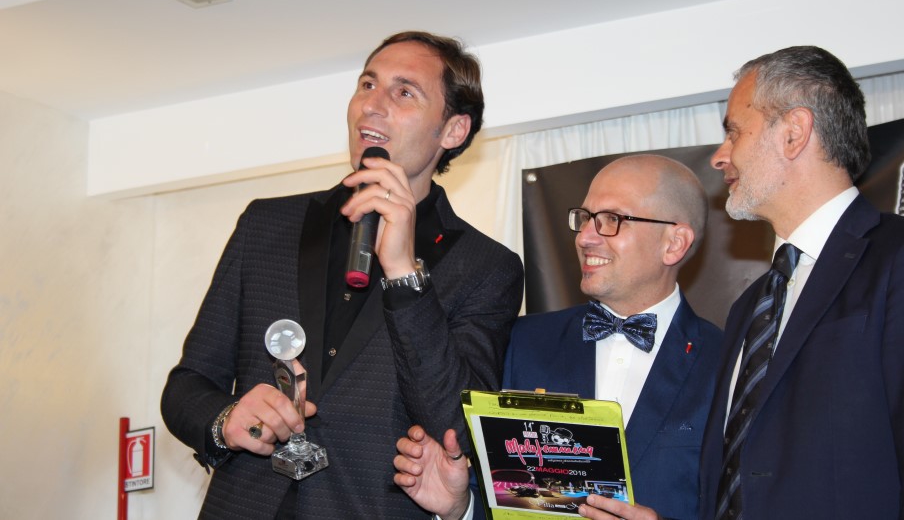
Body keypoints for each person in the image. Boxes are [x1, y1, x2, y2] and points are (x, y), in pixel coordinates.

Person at [161, 31, 525, 519]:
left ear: (453, 130)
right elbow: (187, 386)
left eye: (404, 92)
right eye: (367, 85)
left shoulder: (485, 267)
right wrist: (227, 419)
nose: (372, 105)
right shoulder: (267, 224)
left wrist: (404, 275)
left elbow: (458, 427)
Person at [395, 154, 723, 520]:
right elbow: (516, 500)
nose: (584, 237)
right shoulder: (525, 343)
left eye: (611, 219)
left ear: (674, 243)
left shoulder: (726, 363)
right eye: (584, 218)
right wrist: (461, 507)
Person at [700, 46, 904, 519]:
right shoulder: (750, 307)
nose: (719, 156)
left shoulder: (895, 259)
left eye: (734, 131)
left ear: (794, 133)